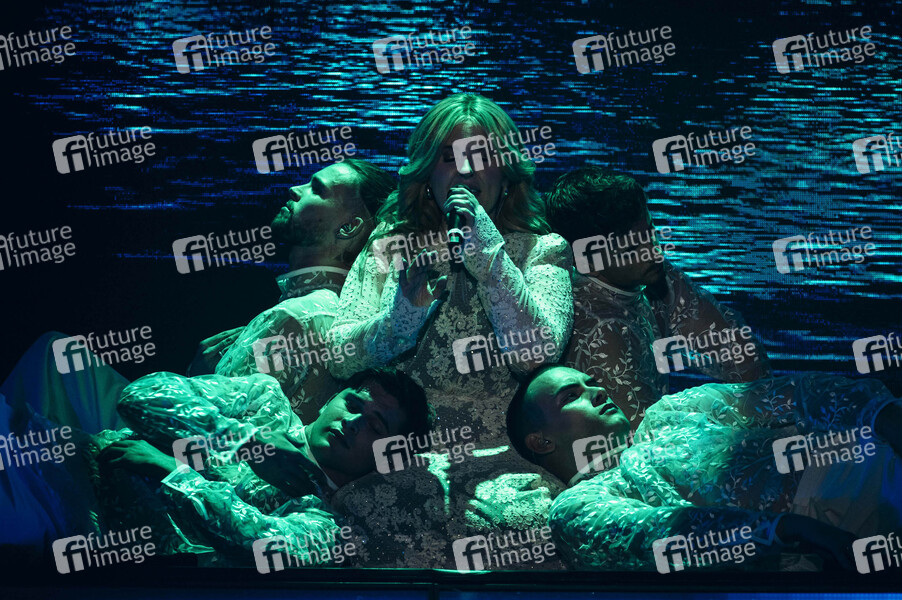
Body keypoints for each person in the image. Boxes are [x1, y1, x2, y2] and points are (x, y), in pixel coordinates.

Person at [325, 94, 573, 567]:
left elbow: (538, 353)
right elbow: (339, 356)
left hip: (505, 463)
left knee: (522, 534)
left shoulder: (543, 250)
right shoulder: (388, 246)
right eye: (447, 157)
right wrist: (400, 320)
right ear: (426, 176)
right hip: (397, 458)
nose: (465, 170)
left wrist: (491, 260)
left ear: (506, 175)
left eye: (481, 156)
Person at [0, 160, 395, 435]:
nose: (295, 188)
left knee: (49, 363)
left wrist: (197, 376)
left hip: (166, 459)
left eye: (316, 189)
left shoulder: (293, 316)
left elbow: (201, 427)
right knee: (57, 360)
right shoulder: (333, 313)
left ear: (349, 228)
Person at [0, 366, 433, 568]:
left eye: (375, 424)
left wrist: (174, 473)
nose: (353, 421)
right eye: (352, 403)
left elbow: (264, 544)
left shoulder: (328, 523)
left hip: (76, 534)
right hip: (64, 455)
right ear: (327, 402)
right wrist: (244, 440)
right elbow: (140, 396)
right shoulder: (264, 401)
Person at [506, 365, 902, 571]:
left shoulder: (669, 412)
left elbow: (784, 394)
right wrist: (783, 529)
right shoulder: (577, 504)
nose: (597, 390)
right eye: (571, 396)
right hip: (831, 519)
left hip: (874, 449)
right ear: (542, 441)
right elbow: (656, 535)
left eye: (592, 382)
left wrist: (882, 413)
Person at [545, 168, 770, 427]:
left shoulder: (644, 272)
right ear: (590, 261)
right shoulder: (601, 332)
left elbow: (735, 343)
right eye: (632, 247)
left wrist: (762, 407)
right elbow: (641, 437)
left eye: (650, 233)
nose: (654, 252)